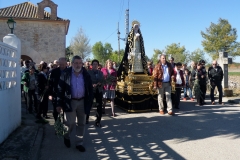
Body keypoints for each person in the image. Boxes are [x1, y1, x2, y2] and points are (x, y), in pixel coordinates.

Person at [57, 55, 93, 152]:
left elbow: (90, 89)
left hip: (82, 101)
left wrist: (90, 101)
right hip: (70, 101)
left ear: (82, 64)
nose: (78, 65)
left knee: (81, 123)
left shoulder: (86, 74)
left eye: (79, 63)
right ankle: (67, 136)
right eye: (76, 63)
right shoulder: (66, 73)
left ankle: (79, 143)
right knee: (70, 123)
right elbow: (60, 89)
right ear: (72, 64)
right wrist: (59, 104)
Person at [48, 57, 67, 121]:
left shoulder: (69, 71)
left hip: (66, 94)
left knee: (66, 110)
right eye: (60, 64)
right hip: (55, 93)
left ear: (66, 64)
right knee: (55, 110)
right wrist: (50, 94)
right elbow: (50, 83)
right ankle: (57, 124)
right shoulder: (54, 71)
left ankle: (65, 124)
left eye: (63, 64)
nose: (62, 65)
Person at [88, 59, 104, 127]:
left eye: (96, 64)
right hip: (91, 91)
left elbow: (103, 81)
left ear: (98, 65)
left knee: (99, 106)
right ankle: (86, 118)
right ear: (92, 65)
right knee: (89, 105)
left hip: (99, 90)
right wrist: (91, 85)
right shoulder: (88, 72)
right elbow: (86, 82)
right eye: (94, 64)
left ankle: (98, 120)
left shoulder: (100, 73)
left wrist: (101, 84)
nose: (95, 65)